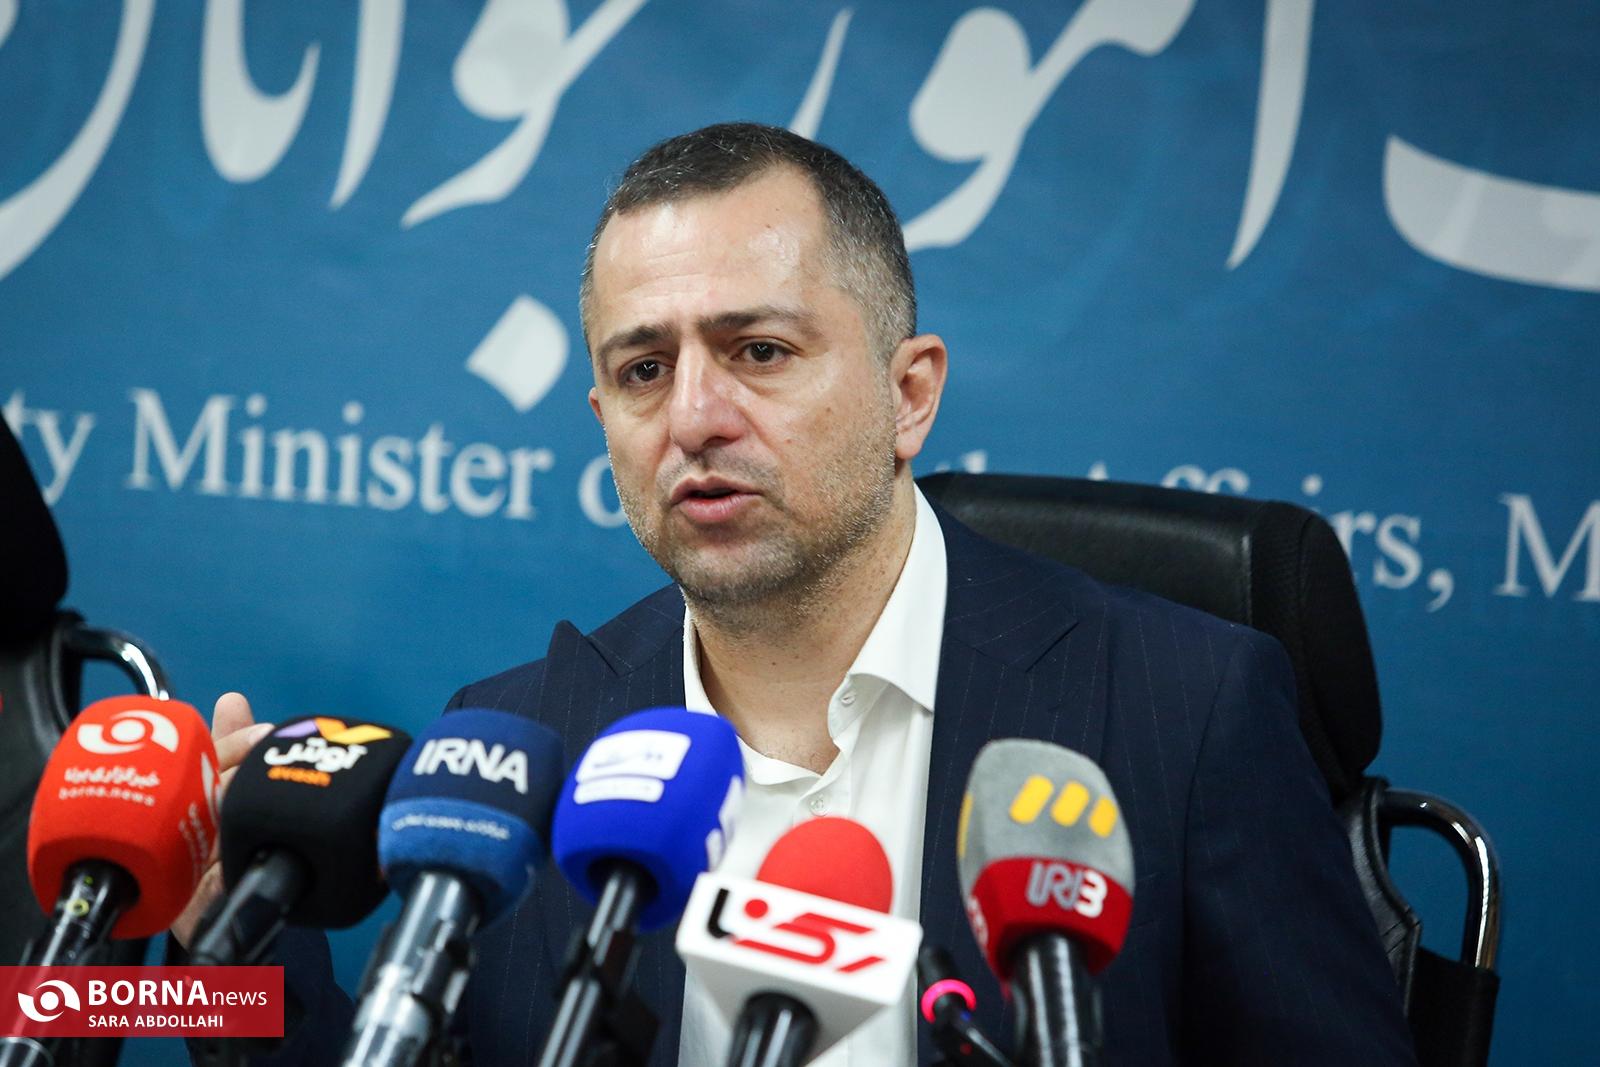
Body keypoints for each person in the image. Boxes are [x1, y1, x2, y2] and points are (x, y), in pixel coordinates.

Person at [174, 123, 1417, 1065]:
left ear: (908, 394)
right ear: (601, 416)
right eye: (644, 369)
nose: (695, 418)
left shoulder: (1183, 710)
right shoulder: (516, 747)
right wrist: (229, 947)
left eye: (758, 351)